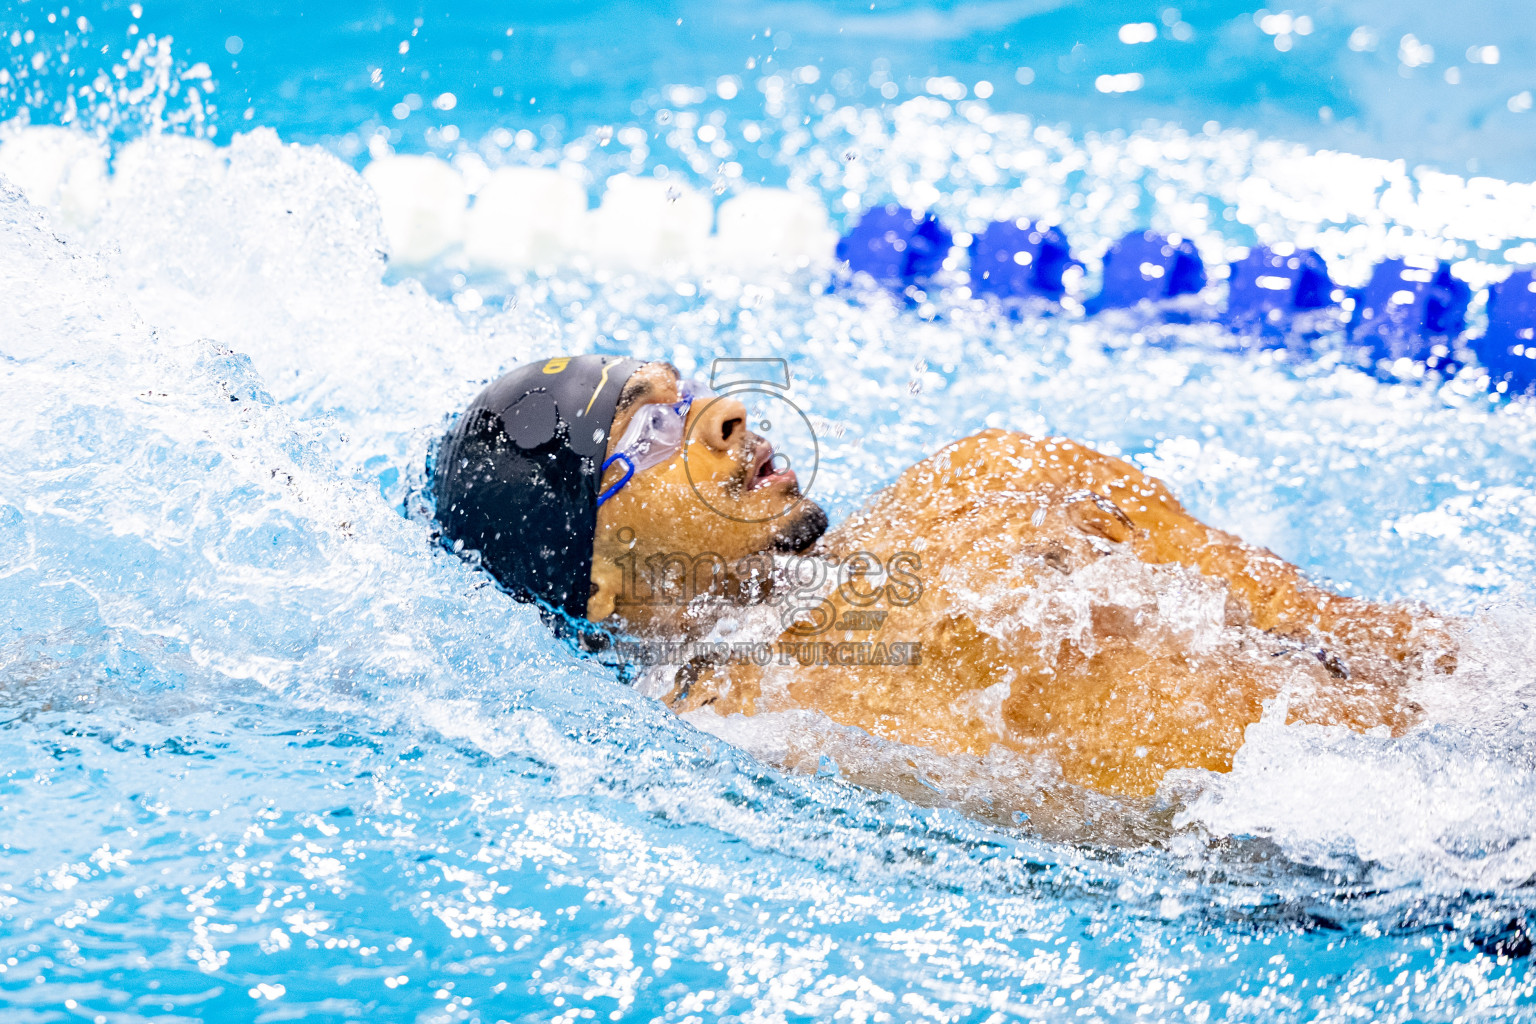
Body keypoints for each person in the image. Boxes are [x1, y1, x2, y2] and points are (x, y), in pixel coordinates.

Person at [433, 355, 1456, 804]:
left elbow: (1387, 642)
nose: (725, 415)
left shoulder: (993, 476)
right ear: (603, 581)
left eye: (690, 389)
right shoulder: (747, 722)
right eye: (652, 426)